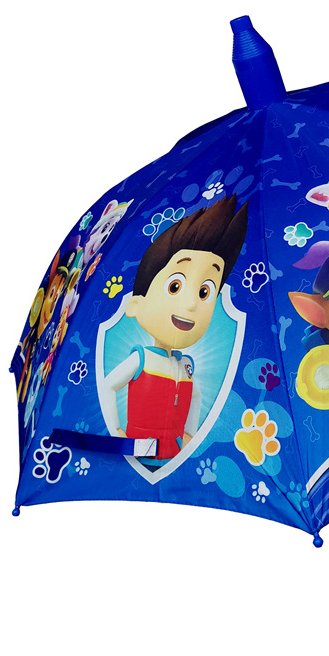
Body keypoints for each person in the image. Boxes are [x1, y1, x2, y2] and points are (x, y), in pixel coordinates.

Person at [100, 195, 248, 459]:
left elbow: (196, 398)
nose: (190, 304)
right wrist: (117, 431)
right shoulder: (141, 359)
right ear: (135, 305)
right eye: (175, 286)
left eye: (205, 292)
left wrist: (190, 433)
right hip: (140, 449)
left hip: (175, 451)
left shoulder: (185, 366)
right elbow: (109, 385)